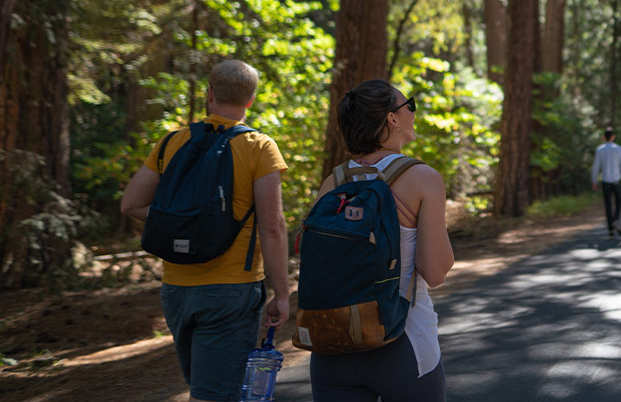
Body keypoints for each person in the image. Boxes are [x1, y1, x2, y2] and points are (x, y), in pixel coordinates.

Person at [121, 60, 289, 402]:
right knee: (213, 394)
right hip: (231, 291)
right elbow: (272, 227)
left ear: (209, 94)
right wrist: (283, 294)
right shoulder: (259, 146)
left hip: (176, 289)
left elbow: (131, 205)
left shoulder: (172, 143)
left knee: (205, 388)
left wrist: (184, 223)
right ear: (251, 100)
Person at [310, 79, 454, 402]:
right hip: (401, 343)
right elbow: (435, 272)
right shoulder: (422, 178)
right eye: (410, 106)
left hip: (331, 344)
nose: (413, 114)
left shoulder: (331, 184)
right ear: (392, 118)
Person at [592, 128, 621, 237]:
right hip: (616, 181)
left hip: (605, 182)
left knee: (608, 205)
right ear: (613, 137)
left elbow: (596, 166)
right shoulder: (618, 149)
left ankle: (610, 229)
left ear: (604, 137)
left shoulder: (600, 150)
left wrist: (594, 180)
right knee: (619, 202)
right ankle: (616, 220)